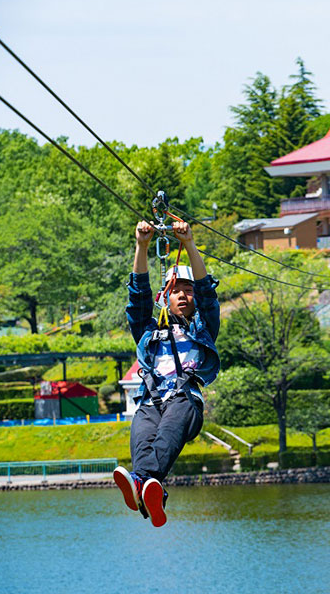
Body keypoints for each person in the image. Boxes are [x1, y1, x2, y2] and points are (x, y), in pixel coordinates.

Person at [112, 220, 220, 527]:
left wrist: (188, 243)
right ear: (166, 298)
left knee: (169, 432)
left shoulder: (203, 328)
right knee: (142, 437)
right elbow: (138, 297)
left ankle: (146, 485)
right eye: (178, 292)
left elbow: (207, 293)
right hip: (152, 400)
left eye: (189, 292)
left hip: (185, 401)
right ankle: (147, 490)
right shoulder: (148, 331)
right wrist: (141, 246)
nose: (185, 296)